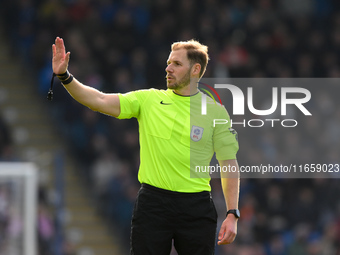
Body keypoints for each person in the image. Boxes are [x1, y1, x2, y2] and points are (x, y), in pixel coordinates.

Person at [52, 37, 240, 255]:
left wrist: (232, 213)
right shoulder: (149, 100)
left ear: (196, 69)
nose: (168, 68)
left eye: (177, 64)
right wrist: (65, 77)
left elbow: (229, 164)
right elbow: (99, 100)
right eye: (169, 63)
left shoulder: (216, 112)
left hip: (196, 206)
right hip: (153, 204)